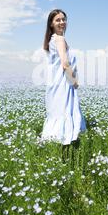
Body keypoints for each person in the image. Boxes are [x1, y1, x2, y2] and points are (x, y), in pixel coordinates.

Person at [40, 9, 87, 151]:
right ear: (51, 24)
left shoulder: (53, 39)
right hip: (62, 84)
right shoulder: (59, 39)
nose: (62, 22)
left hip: (54, 84)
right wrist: (74, 81)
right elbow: (65, 63)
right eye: (58, 20)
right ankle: (65, 148)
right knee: (63, 112)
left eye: (63, 19)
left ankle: (53, 148)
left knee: (56, 114)